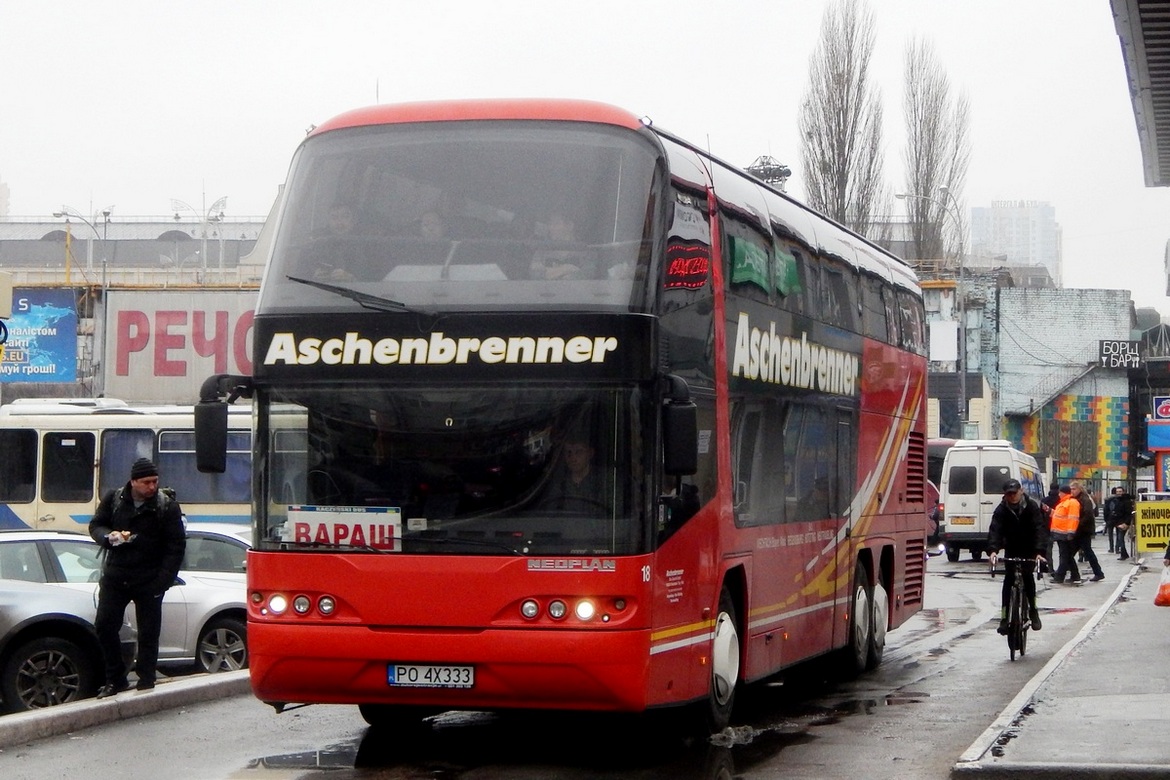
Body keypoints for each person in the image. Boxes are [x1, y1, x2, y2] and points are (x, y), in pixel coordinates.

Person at [89, 457, 186, 696]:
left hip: (149, 578)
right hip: (116, 576)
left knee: (149, 631)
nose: (152, 487)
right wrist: (108, 537)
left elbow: (176, 547)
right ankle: (115, 678)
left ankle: (146, 679)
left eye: (155, 481)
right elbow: (96, 525)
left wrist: (162, 582)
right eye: (146, 482)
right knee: (104, 625)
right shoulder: (114, 499)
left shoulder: (167, 507)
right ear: (133, 482)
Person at [987, 478, 1047, 633]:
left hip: (1029, 548)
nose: (1012, 496)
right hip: (1012, 548)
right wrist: (993, 551)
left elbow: (1039, 528)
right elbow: (995, 530)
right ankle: (1005, 617)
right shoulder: (1001, 509)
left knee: (1028, 578)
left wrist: (1040, 553)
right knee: (1008, 580)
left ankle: (1033, 611)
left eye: (1014, 493)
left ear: (1021, 491)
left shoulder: (1032, 507)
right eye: (1009, 494)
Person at [541, 433, 603, 511]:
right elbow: (550, 514)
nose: (573, 458)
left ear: (590, 453)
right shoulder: (558, 484)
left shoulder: (603, 483)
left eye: (579, 452)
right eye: (568, 452)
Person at [1070, 481, 1104, 581]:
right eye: (1071, 489)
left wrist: (1077, 524)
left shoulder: (1085, 499)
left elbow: (1088, 515)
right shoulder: (1075, 499)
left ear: (1079, 489)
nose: (1072, 491)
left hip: (1083, 530)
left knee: (1086, 552)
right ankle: (1067, 573)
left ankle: (1098, 573)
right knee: (1069, 553)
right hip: (1079, 530)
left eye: (1074, 489)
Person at [1049, 485, 1082, 584]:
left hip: (1065, 534)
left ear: (1064, 493)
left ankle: (1060, 576)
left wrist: (1071, 533)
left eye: (1060, 492)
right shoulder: (1064, 502)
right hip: (1061, 534)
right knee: (1067, 556)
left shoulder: (1072, 503)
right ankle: (1075, 576)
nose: (1058, 494)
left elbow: (1073, 519)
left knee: (1064, 556)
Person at [1105, 486, 1135, 560]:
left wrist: (1126, 523)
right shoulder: (1115, 500)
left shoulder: (1127, 501)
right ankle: (1123, 553)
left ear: (1123, 492)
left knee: (1120, 538)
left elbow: (1129, 514)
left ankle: (1123, 553)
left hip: (1123, 522)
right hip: (1116, 521)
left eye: (1120, 491)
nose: (1118, 493)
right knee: (1119, 538)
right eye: (1117, 492)